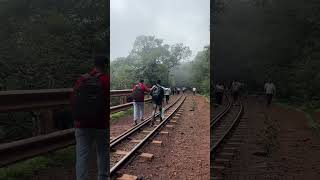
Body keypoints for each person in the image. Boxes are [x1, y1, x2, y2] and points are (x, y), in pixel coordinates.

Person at [71, 55, 109, 180]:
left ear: (94, 65)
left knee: (82, 156)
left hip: (81, 124)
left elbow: (73, 100)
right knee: (103, 154)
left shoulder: (82, 79)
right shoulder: (106, 80)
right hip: (101, 124)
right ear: (106, 66)